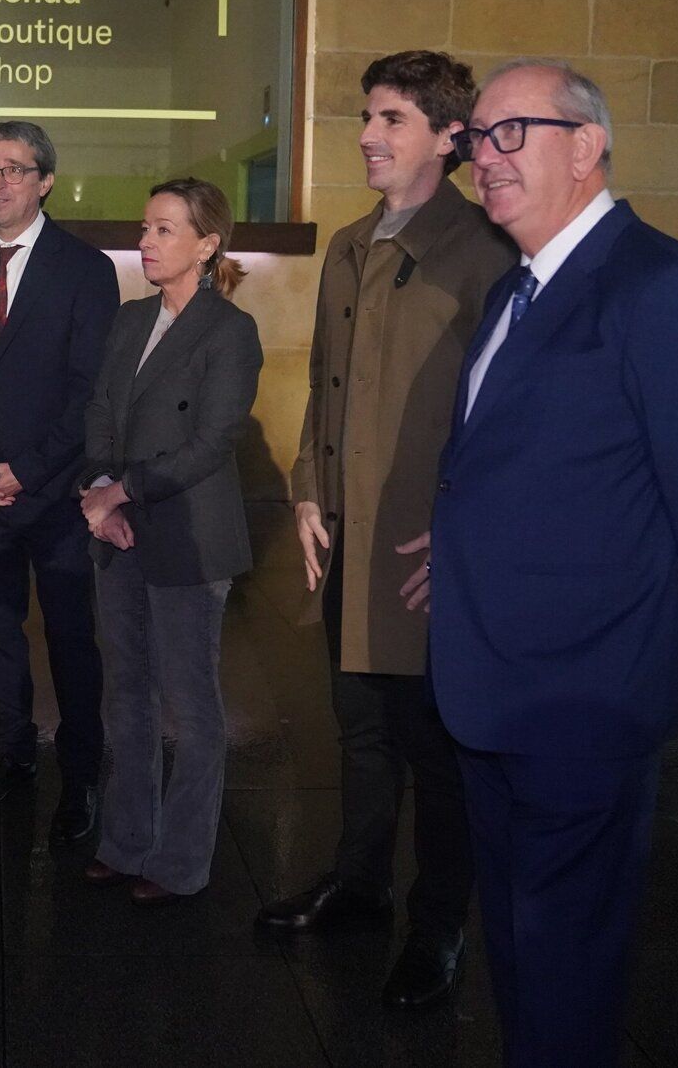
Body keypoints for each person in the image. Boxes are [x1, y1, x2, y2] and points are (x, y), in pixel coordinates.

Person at [433, 59, 678, 1066]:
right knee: (522, 948)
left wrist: (676, 645)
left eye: (510, 133)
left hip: (585, 698)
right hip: (489, 686)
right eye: (474, 139)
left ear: (587, 146)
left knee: (566, 957)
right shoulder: (516, 290)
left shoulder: (663, 289)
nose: (483, 157)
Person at [255, 52, 515, 1008]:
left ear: (449, 138)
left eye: (393, 118)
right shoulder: (351, 244)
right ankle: (359, 885)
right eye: (368, 115)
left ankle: (438, 924)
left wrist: (468, 537)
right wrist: (308, 490)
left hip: (424, 551)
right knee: (359, 730)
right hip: (349, 537)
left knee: (436, 751)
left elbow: (508, 416)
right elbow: (326, 383)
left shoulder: (484, 250)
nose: (368, 133)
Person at [0, 121, 118, 843]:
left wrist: (26, 470)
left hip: (55, 493)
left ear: (45, 182)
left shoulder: (84, 269)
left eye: (13, 169)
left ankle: (81, 776)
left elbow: (87, 389)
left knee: (71, 637)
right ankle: (11, 759)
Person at [78, 178, 261, 906]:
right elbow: (97, 411)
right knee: (123, 694)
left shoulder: (228, 330)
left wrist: (119, 491)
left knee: (190, 704)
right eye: (144, 227)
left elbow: (213, 440)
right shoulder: (128, 320)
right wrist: (97, 495)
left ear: (206, 244)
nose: (144, 242)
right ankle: (126, 843)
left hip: (187, 534)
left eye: (162, 230)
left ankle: (181, 862)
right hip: (116, 532)